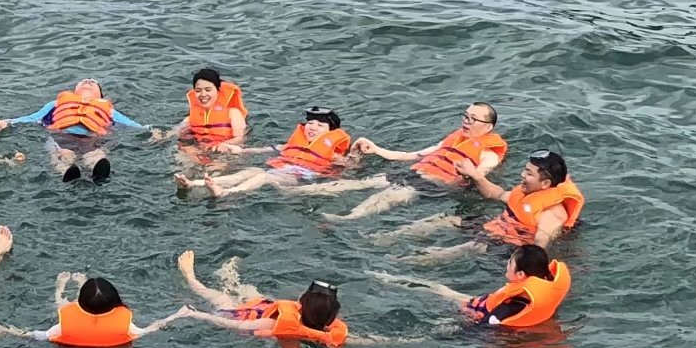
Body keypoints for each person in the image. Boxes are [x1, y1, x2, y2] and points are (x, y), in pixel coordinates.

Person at [379, 150, 583, 261]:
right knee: (447, 219)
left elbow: (541, 242)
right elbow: (497, 194)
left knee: (469, 247)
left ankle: (403, 261)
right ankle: (389, 237)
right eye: (524, 169)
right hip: (492, 228)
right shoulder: (527, 192)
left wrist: (530, 269)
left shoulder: (553, 213)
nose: (522, 175)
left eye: (529, 173)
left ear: (545, 184)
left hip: (503, 246)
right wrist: (475, 175)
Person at [320, 103, 509, 222]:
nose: (466, 121)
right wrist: (376, 149)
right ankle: (305, 190)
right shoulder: (454, 139)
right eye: (465, 116)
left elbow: (480, 177)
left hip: (433, 185)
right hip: (414, 173)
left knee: (387, 196)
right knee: (361, 183)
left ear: (487, 127)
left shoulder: (489, 153)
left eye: (472, 119)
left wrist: (469, 174)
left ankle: (348, 218)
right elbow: (412, 155)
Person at [177, 107, 382, 201]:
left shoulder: (333, 153)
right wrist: (241, 150)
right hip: (281, 169)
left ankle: (227, 193)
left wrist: (355, 153)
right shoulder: (291, 144)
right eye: (310, 123)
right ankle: (194, 183)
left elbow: (349, 166)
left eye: (320, 125)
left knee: (263, 177)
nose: (312, 127)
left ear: (331, 132)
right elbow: (267, 149)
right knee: (249, 172)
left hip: (301, 176)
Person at [172, 250, 349, 348]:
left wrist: (194, 314)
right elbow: (355, 340)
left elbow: (233, 325)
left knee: (222, 297)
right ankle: (228, 274)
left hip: (234, 314)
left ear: (302, 304)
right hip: (261, 307)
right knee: (250, 292)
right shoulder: (326, 332)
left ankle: (190, 277)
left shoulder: (270, 324)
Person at [371, 244, 571, 329]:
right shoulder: (544, 286)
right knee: (439, 289)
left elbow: (489, 324)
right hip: (479, 306)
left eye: (510, 262)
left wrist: (465, 316)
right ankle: (387, 278)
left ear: (520, 275)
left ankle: (384, 279)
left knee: (439, 309)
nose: (506, 264)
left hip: (475, 321)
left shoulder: (513, 304)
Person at [0, 77, 145, 182]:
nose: (88, 81)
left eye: (93, 82)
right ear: (74, 91)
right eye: (83, 81)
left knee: (96, 154)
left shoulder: (109, 110)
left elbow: (131, 124)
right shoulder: (55, 104)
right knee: (62, 155)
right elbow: (32, 118)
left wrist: (152, 131)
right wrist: (6, 122)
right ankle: (67, 172)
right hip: (61, 137)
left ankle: (97, 168)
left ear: (101, 96)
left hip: (92, 138)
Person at [26, 274, 184, 347]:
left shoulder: (62, 327)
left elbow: (40, 336)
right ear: (114, 301)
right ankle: (81, 285)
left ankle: (60, 287)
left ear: (80, 304)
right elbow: (150, 329)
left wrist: (15, 332)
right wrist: (176, 316)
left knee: (63, 306)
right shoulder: (127, 327)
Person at [151, 68, 249, 152]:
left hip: (224, 152)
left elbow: (240, 138)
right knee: (185, 150)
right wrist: (161, 137)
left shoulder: (233, 113)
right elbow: (176, 131)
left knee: (216, 165)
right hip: (199, 150)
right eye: (198, 91)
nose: (203, 94)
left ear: (218, 91)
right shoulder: (190, 118)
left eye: (208, 90)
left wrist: (225, 144)